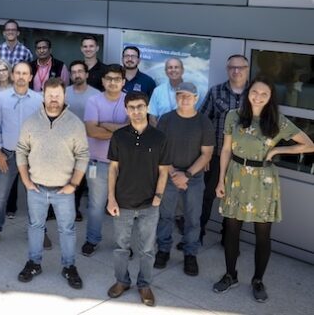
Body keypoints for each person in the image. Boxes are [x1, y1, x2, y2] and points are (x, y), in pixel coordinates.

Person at [213, 77, 314, 302]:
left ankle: (258, 280)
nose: (258, 97)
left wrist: (277, 152)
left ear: (270, 98)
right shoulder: (233, 116)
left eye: (264, 94)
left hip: (264, 182)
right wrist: (220, 180)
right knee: (231, 230)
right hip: (235, 176)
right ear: (248, 93)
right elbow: (227, 150)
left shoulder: (278, 121)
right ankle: (230, 275)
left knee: (263, 235)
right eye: (255, 92)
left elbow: (309, 144)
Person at [16, 78, 89, 289]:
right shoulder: (31, 122)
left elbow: (83, 155)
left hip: (64, 189)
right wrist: (25, 180)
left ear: (64, 96)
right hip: (36, 188)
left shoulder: (74, 123)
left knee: (67, 230)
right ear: (43, 95)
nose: (54, 99)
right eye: (50, 95)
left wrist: (73, 184)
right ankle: (34, 263)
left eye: (58, 95)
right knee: (35, 227)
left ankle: (69, 266)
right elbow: (21, 150)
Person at [106, 92, 171, 307]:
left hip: (149, 203)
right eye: (132, 107)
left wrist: (158, 197)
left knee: (147, 249)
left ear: (147, 107)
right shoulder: (119, 136)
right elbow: (113, 169)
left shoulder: (159, 137)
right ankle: (121, 281)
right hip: (122, 202)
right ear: (126, 110)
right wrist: (111, 199)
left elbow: (163, 171)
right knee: (121, 247)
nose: (136, 111)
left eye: (140, 106)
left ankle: (144, 285)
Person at [153, 82, 214, 276]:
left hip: (193, 177)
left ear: (196, 99)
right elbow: (159, 149)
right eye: (180, 95)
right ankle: (163, 250)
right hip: (169, 175)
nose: (184, 99)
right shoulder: (166, 119)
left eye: (189, 96)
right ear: (176, 97)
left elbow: (206, 154)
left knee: (193, 218)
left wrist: (186, 175)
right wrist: (173, 174)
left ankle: (190, 254)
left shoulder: (204, 122)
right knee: (165, 216)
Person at [0, 61, 42, 247]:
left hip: (32, 157)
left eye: (25, 73)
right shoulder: (1, 98)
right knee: (0, 196)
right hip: (7, 155)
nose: (21, 76)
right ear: (12, 75)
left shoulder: (39, 99)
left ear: (31, 77)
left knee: (36, 196)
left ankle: (40, 230)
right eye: (17, 73)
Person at [199, 55, 249, 244]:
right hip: (216, 155)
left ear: (247, 68)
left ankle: (228, 237)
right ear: (227, 69)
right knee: (206, 196)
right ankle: (198, 233)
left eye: (240, 67)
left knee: (236, 200)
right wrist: (204, 154)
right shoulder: (215, 91)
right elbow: (203, 122)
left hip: (242, 159)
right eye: (232, 67)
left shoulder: (255, 93)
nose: (236, 71)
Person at [82, 64, 128, 257]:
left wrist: (106, 125)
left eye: (117, 79)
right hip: (97, 163)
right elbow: (92, 131)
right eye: (109, 78)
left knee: (124, 206)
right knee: (96, 205)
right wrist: (121, 129)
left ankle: (123, 243)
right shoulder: (93, 101)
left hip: (125, 165)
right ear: (102, 81)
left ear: (123, 82)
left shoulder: (130, 101)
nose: (112, 82)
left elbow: (134, 131)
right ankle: (92, 240)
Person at [65, 60, 100, 220]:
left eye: (80, 71)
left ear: (86, 74)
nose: (76, 74)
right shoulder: (63, 93)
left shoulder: (96, 95)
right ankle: (62, 208)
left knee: (81, 179)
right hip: (65, 144)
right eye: (73, 72)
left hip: (88, 145)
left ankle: (75, 208)